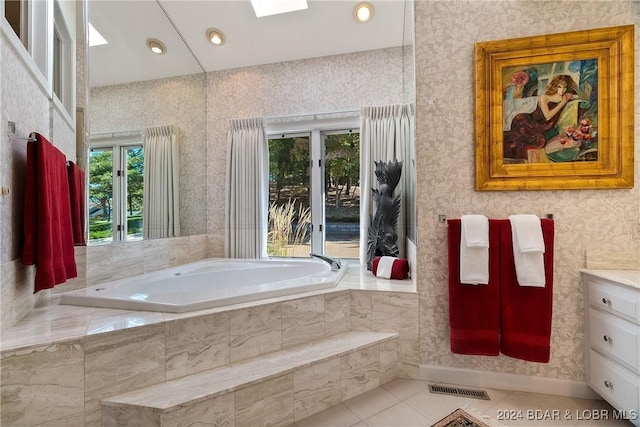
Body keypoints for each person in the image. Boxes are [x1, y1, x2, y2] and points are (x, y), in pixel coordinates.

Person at [503, 74, 579, 160]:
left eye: (565, 87)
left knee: (539, 140)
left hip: (540, 125)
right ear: (555, 86)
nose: (562, 90)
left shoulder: (563, 97)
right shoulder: (544, 97)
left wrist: (569, 96)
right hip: (526, 121)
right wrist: (563, 102)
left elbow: (578, 96)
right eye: (559, 87)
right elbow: (547, 116)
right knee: (537, 140)